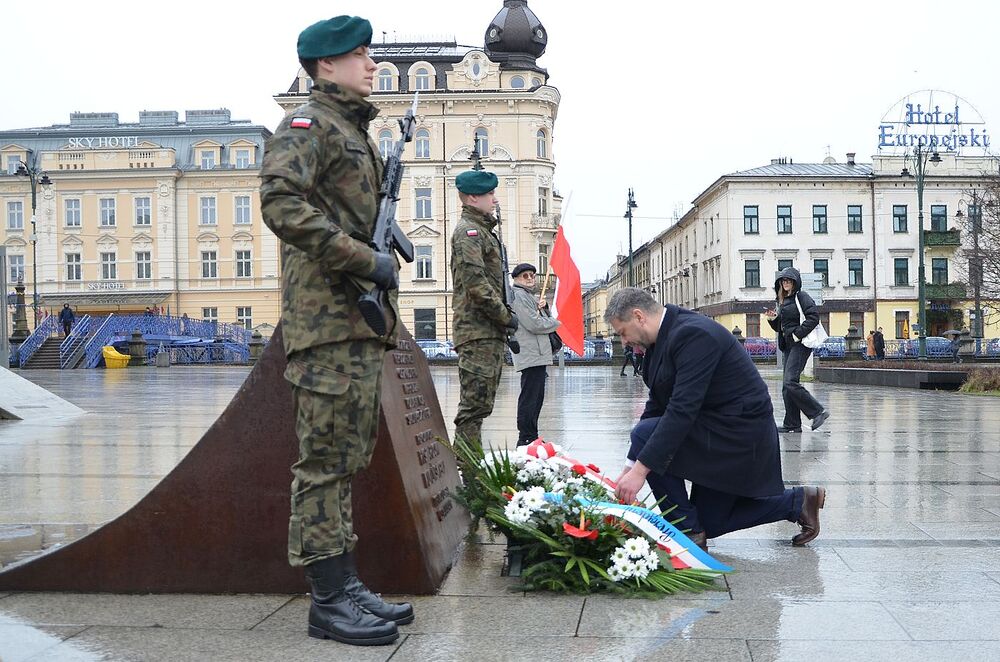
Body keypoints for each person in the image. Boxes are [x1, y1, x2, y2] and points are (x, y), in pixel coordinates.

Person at [259, 15, 411, 647]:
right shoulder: (308, 125)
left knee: (347, 459)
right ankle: (327, 601)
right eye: (360, 56)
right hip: (325, 319)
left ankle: (345, 583)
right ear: (324, 65)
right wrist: (361, 257)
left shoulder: (355, 131)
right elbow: (279, 203)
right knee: (323, 463)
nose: (372, 65)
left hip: (356, 322)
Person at [608, 287, 825, 551]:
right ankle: (798, 502)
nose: (623, 342)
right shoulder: (658, 343)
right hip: (714, 430)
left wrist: (641, 470)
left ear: (639, 316)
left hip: (739, 435)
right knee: (711, 520)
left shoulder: (692, 334)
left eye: (622, 332)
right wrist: (630, 467)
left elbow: (681, 410)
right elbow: (657, 405)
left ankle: (686, 531)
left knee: (645, 434)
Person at [450, 168, 518, 451]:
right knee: (473, 409)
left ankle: (470, 470)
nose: (494, 198)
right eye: (490, 193)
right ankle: (469, 475)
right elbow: (476, 284)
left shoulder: (484, 232)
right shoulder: (469, 233)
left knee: (481, 407)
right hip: (477, 331)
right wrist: (505, 316)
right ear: (473, 197)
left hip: (486, 331)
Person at [765, 267, 830, 433]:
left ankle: (818, 412)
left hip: (800, 344)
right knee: (786, 387)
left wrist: (797, 335)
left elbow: (813, 317)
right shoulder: (783, 300)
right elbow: (781, 326)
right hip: (788, 345)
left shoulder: (801, 296)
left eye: (788, 280)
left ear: (795, 282)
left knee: (790, 381)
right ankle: (792, 424)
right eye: (783, 281)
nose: (785, 283)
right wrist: (773, 319)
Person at [509, 262, 560, 446]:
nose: (530, 278)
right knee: (530, 397)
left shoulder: (527, 296)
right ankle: (526, 437)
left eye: (532, 275)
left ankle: (532, 435)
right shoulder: (518, 295)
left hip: (536, 354)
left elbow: (537, 319)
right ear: (516, 278)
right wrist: (556, 322)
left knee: (536, 397)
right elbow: (533, 324)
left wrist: (544, 309)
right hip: (531, 354)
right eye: (525, 276)